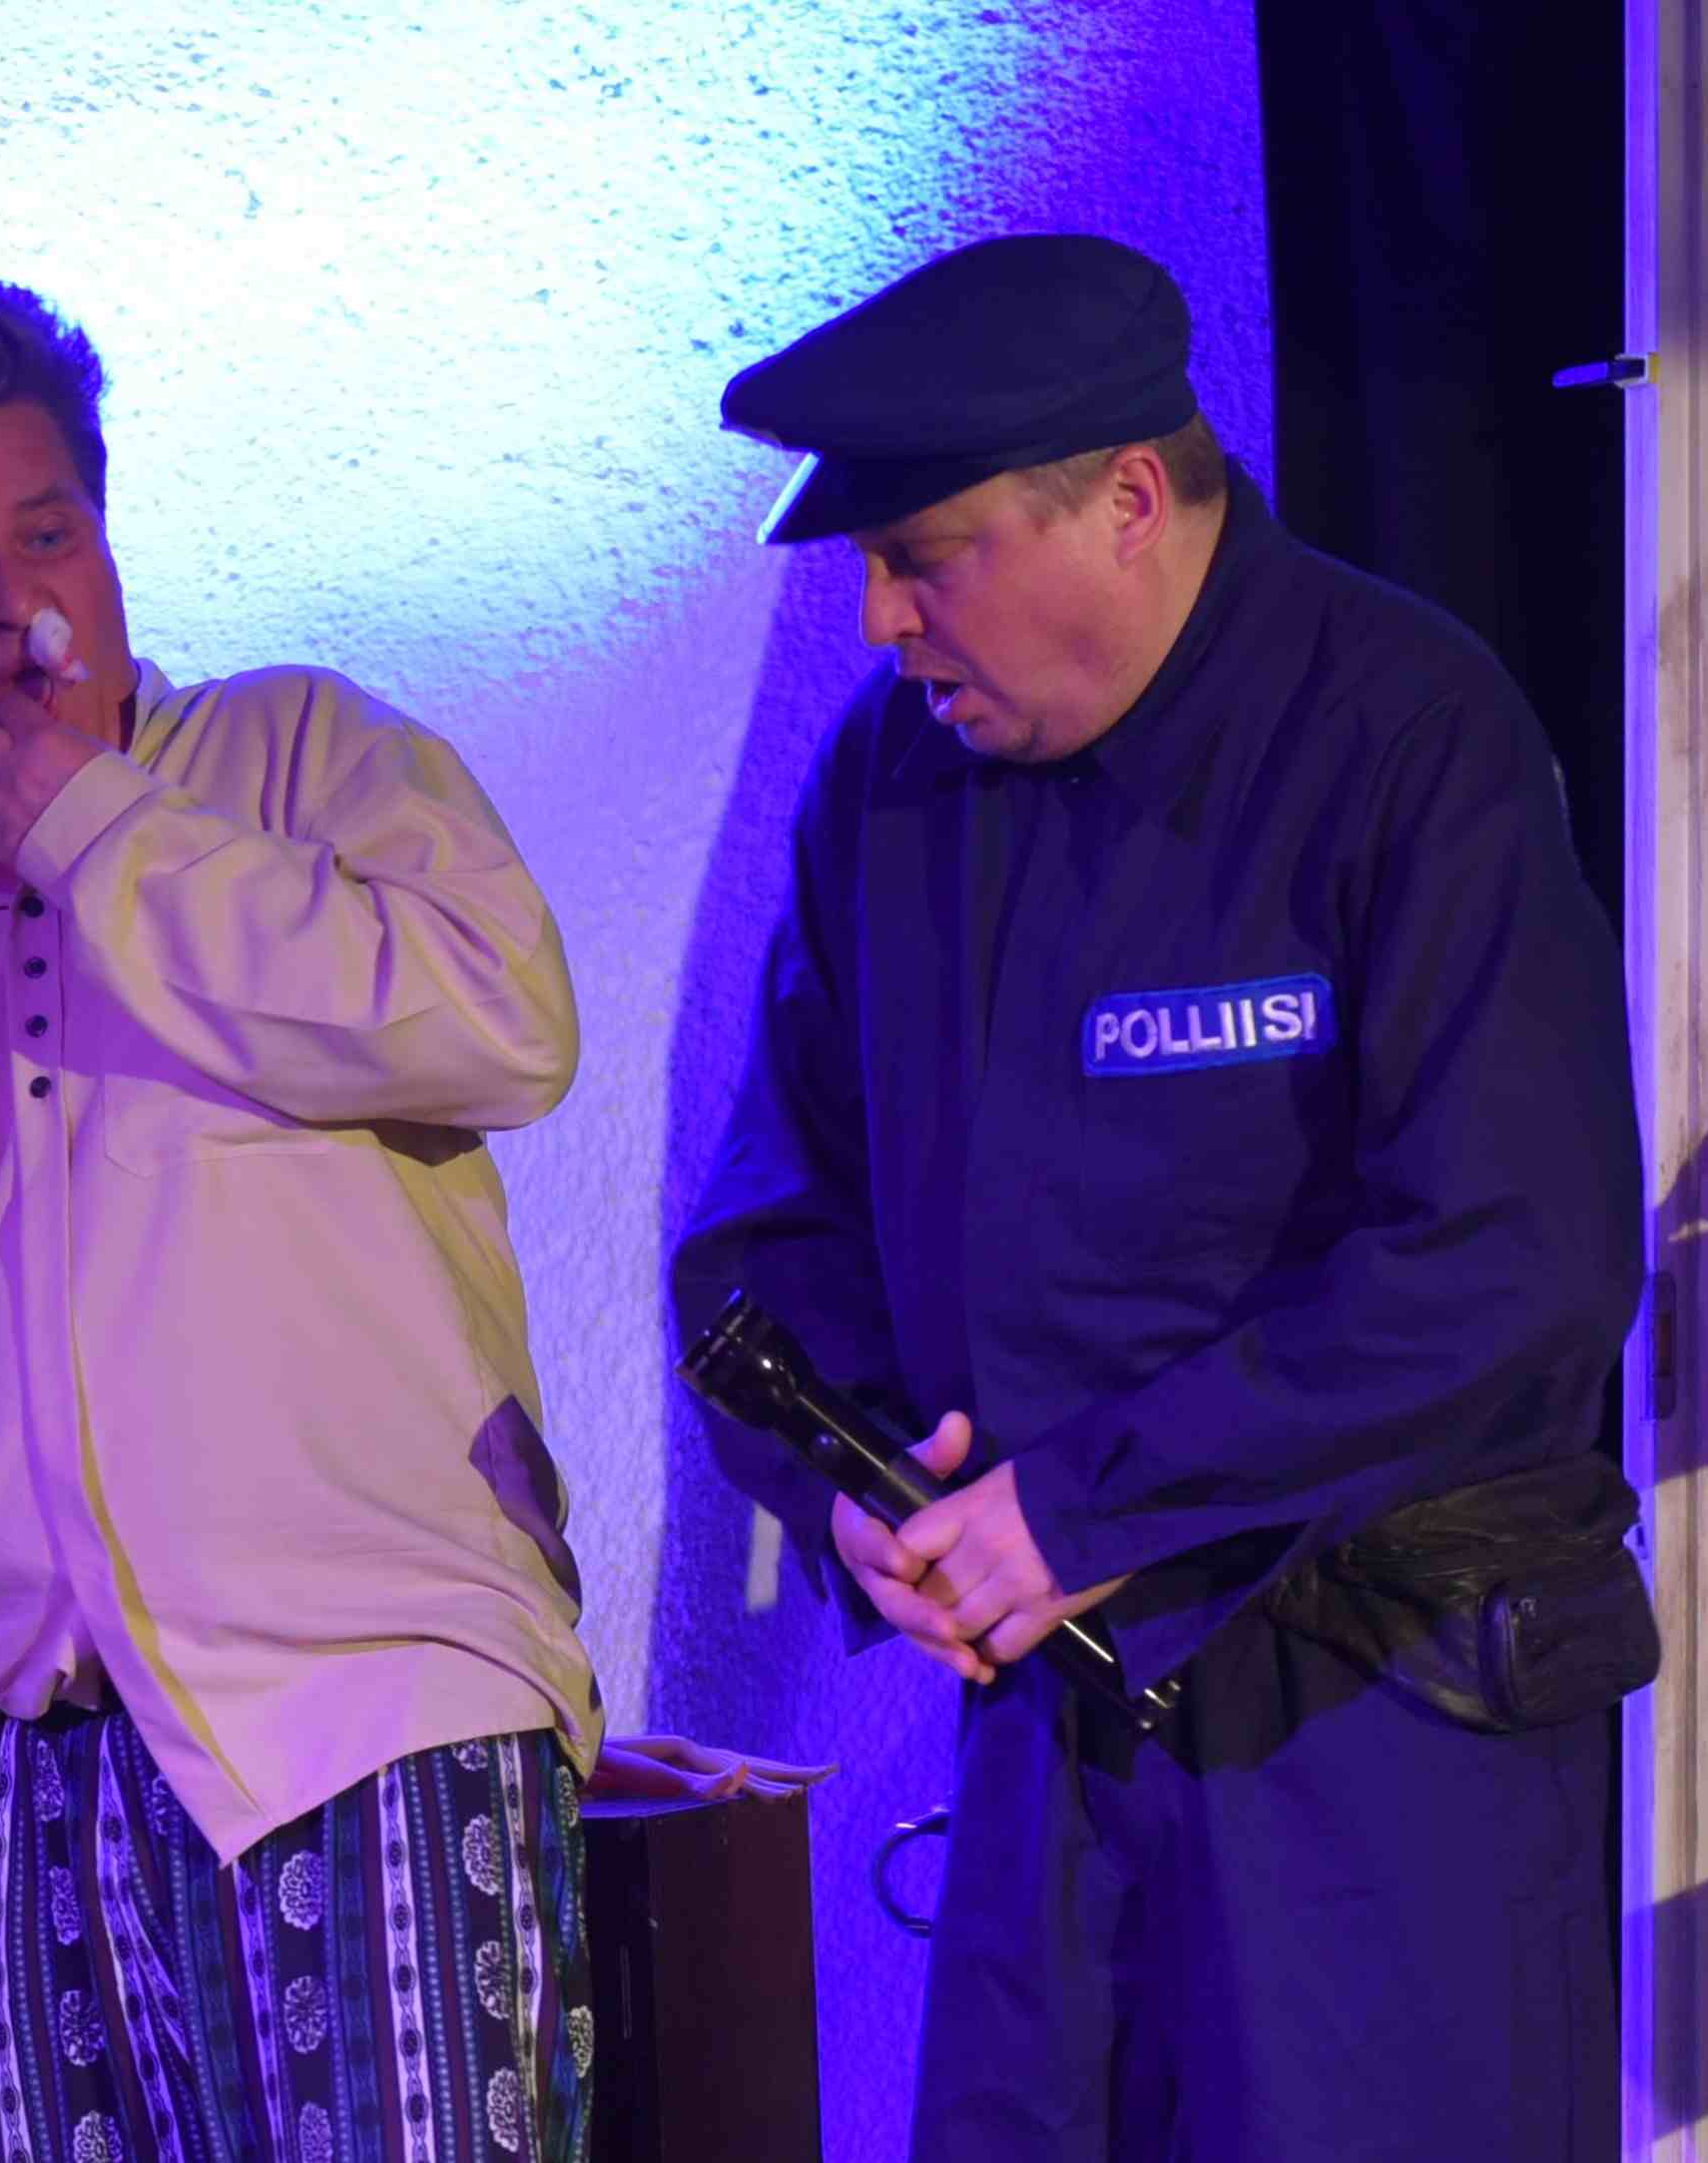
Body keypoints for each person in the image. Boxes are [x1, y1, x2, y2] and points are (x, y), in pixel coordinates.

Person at [0, 271, 827, 2162]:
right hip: (62, 1769)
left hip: (386, 1704)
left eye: (51, 535)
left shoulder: (307, 766)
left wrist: (102, 829)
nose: (16, 603)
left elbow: (505, 1026)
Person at [671, 234, 1645, 2162]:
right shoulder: (890, 785)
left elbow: (1520, 1252)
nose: (877, 619)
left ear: (1125, 498)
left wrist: (1086, 1503)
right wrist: (864, 1493)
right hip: (1055, 1738)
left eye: (924, 555)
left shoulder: (1403, 730)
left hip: (1375, 1718)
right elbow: (768, 1234)